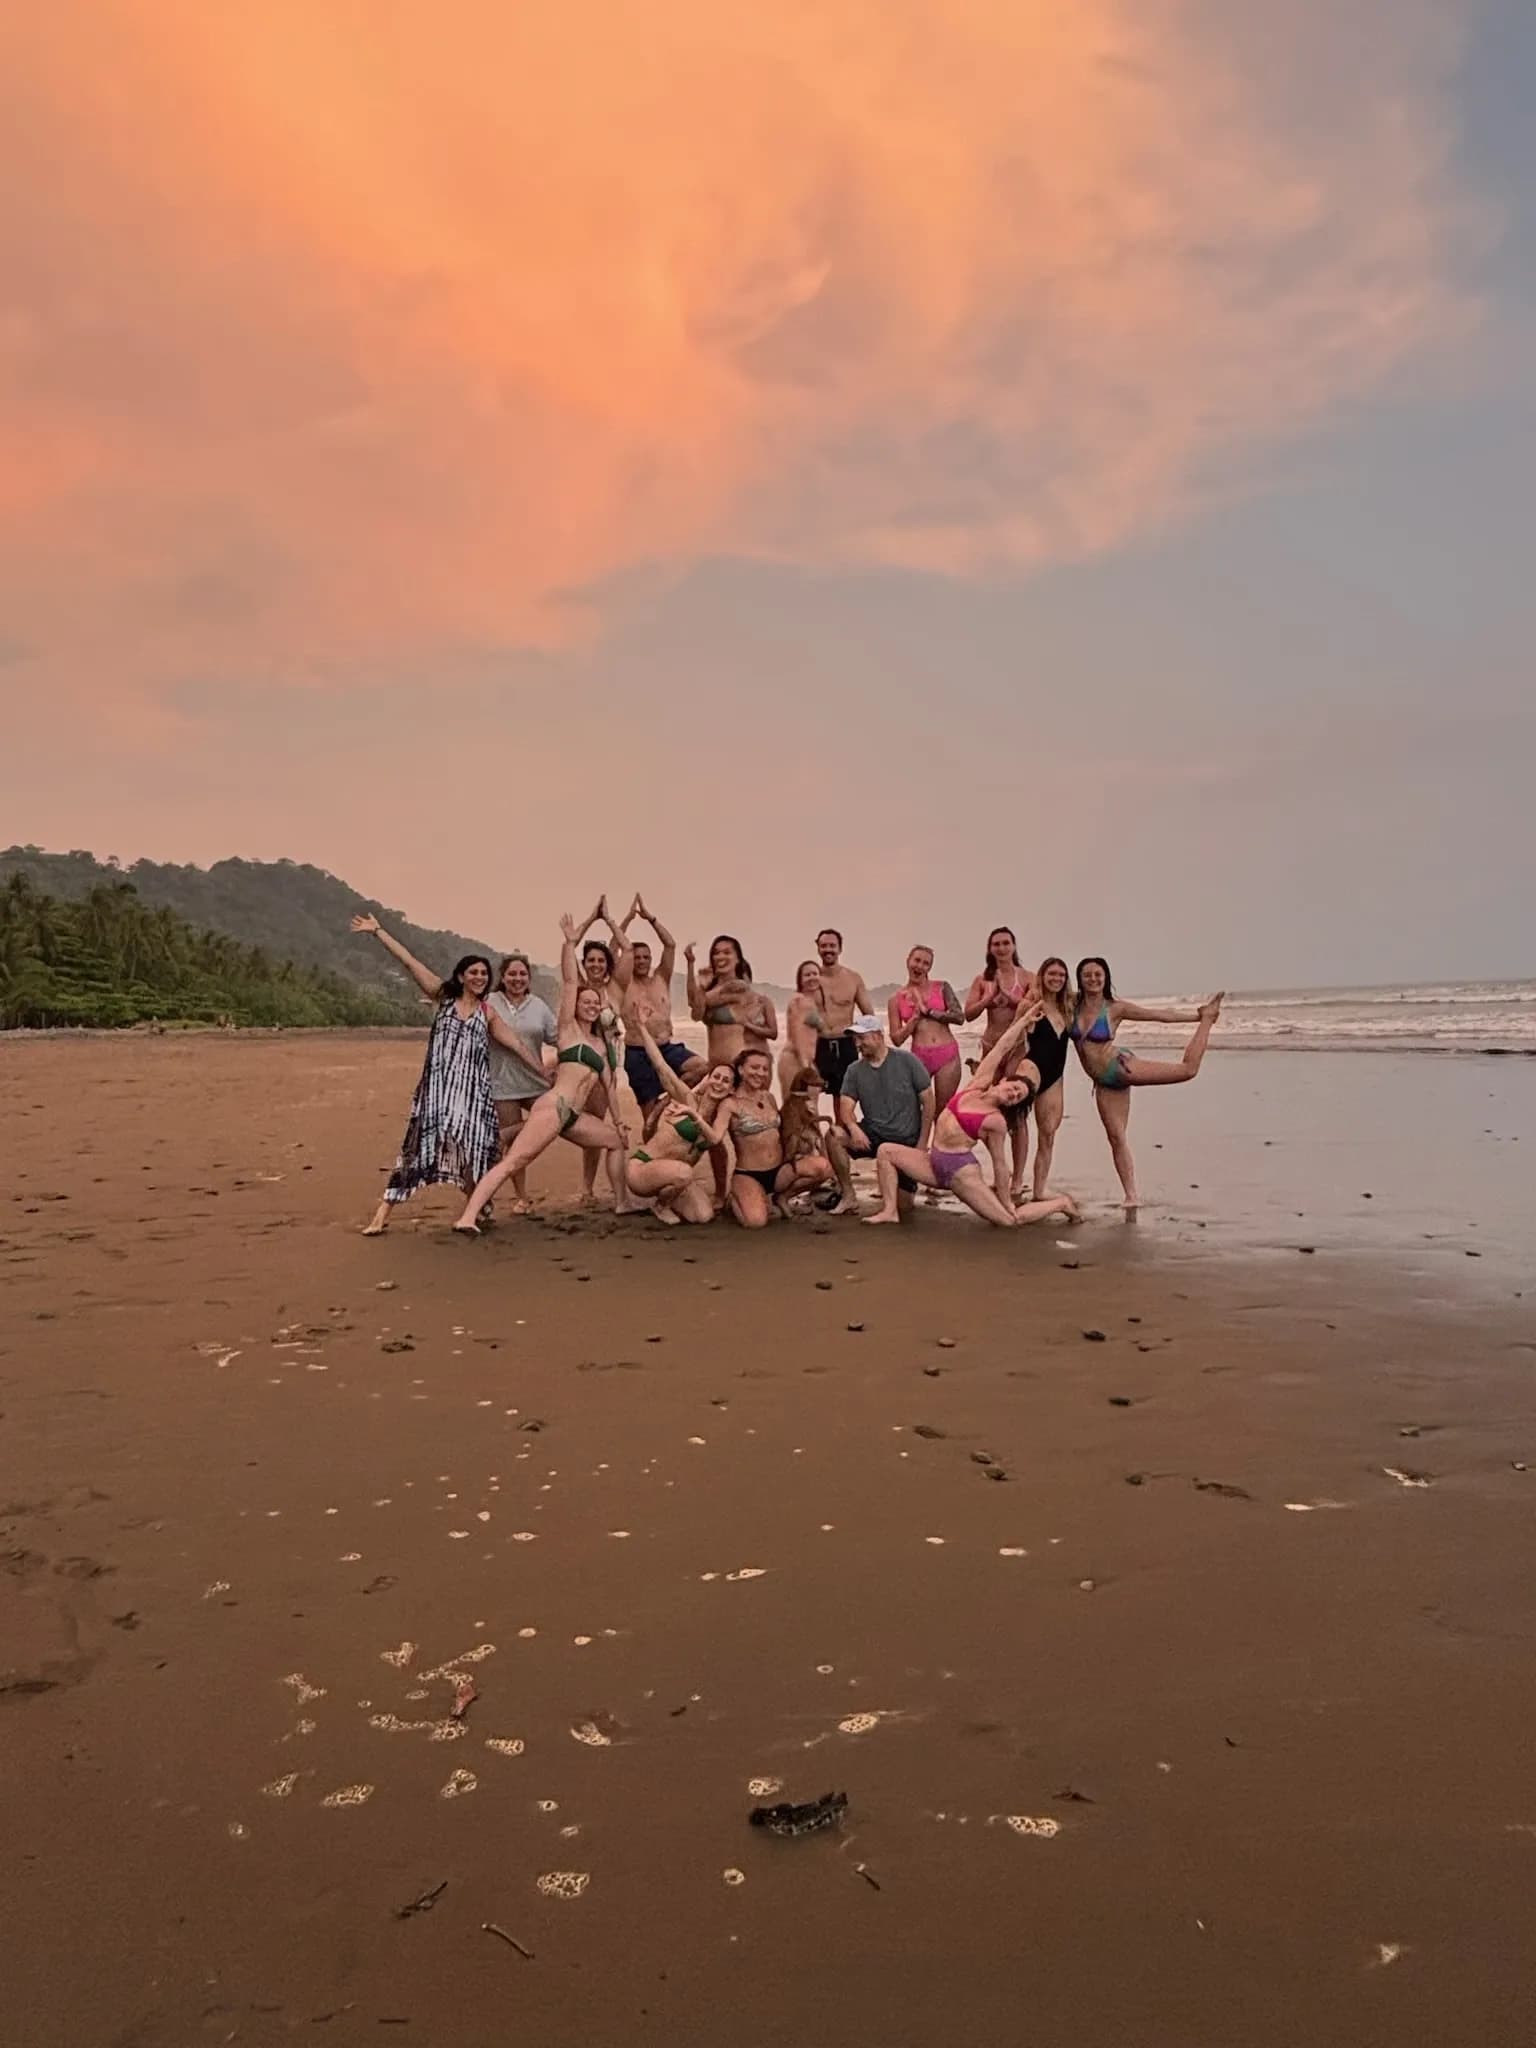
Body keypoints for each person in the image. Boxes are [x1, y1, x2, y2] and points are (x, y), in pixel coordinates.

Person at [453, 914, 628, 1233]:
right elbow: (572, 979)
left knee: (616, 1141)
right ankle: (468, 1216)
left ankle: (622, 1202)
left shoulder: (602, 1045)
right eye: (584, 1002)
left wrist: (618, 1121)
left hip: (574, 1116)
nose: (589, 1006)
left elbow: (610, 1087)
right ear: (575, 1007)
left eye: (595, 1003)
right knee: (515, 1160)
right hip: (554, 1107)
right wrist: (570, 942)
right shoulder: (567, 1030)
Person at [351, 914, 504, 1236]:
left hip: (472, 1096)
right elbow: (409, 962)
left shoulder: (488, 1013)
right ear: (461, 976)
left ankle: (477, 1205)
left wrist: (547, 1072)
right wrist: (379, 932)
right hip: (435, 1094)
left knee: (471, 1147)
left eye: (484, 974)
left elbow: (516, 1044)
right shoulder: (443, 998)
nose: (479, 977)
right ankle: (382, 1213)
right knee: (416, 1147)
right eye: (473, 972)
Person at [865, 1005, 1081, 1230]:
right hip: (933, 1164)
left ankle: (1061, 1204)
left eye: (1017, 1098)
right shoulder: (977, 1086)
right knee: (885, 1151)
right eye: (1015, 1088)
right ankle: (890, 1211)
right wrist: (1024, 1020)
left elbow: (999, 1164)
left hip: (961, 1173)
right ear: (1005, 1081)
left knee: (1010, 1220)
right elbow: (1001, 1048)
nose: (1014, 1094)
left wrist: (1006, 1201)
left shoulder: (995, 1121)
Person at [1069, 958, 1224, 1212]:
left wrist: (1196, 1017)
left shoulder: (1115, 1008)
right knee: (1116, 1137)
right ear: (1080, 978)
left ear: (1106, 977)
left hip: (1119, 1068)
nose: (1093, 979)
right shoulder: (1070, 1006)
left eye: (1098, 974)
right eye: (1087, 975)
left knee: (1187, 1070)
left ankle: (1209, 1020)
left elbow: (1157, 1015)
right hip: (1102, 1082)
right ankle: (1131, 1196)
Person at [622, 1025, 735, 1224]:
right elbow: (661, 1066)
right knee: (684, 1173)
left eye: (726, 1081)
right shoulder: (687, 1099)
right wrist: (641, 1027)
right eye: (716, 1077)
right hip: (642, 1168)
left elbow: (718, 1143)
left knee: (703, 1216)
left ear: (731, 1089)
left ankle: (667, 1196)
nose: (719, 1083)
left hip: (674, 1176)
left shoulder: (719, 1117)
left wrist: (720, 1194)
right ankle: (660, 1206)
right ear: (707, 1080)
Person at [618, 894, 705, 1136]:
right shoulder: (624, 983)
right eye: (637, 958)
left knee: (702, 1067)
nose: (642, 961)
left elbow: (670, 945)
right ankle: (646, 1158)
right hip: (639, 1053)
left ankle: (665, 1103)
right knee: (649, 1122)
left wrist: (650, 919)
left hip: (667, 1048)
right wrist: (624, 922)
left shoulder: (661, 978)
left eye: (646, 957)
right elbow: (613, 948)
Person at [724, 1046, 833, 1228]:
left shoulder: (768, 1098)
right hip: (749, 1173)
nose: (760, 1073)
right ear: (741, 1070)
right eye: (754, 1067)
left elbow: (785, 1129)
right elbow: (716, 1140)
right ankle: (736, 1198)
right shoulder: (730, 1103)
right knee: (756, 1222)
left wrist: (800, 1148)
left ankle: (782, 1196)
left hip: (779, 1170)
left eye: (765, 1069)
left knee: (823, 1168)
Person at [837, 1013, 935, 1214]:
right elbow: (845, 1108)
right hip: (873, 1135)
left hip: (905, 1140)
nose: (857, 1044)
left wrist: (922, 1143)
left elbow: (929, 1102)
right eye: (855, 1039)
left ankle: (896, 1185)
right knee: (834, 1136)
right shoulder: (854, 1070)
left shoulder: (907, 1061)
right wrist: (853, 1128)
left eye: (862, 1038)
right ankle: (848, 1195)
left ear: (878, 1036)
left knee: (904, 1207)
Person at [486, 952, 559, 1211]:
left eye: (522, 974)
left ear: (529, 978)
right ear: (503, 977)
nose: (517, 979)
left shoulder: (538, 1005)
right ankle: (521, 1196)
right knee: (515, 1143)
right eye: (512, 974)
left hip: (536, 1082)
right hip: (502, 1084)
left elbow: (557, 1038)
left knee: (558, 1119)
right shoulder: (490, 1001)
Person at [572, 897, 631, 1206]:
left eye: (601, 960)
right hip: (582, 1063)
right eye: (590, 960)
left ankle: (588, 1188)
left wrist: (608, 920)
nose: (596, 965)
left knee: (597, 1122)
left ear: (608, 965)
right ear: (585, 964)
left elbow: (630, 950)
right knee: (584, 1123)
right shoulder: (578, 987)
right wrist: (587, 920)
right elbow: (569, 949)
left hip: (609, 1061)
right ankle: (586, 1187)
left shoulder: (616, 990)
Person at [1003, 955, 1073, 1202]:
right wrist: (997, 1069)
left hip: (1055, 1077)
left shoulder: (1068, 1008)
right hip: (1032, 1067)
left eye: (1061, 975)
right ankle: (1013, 1180)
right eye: (1052, 974)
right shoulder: (1031, 1005)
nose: (1057, 979)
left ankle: (1039, 1191)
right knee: (1017, 1119)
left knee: (1048, 1135)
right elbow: (1012, 1037)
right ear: (1042, 976)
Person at [888, 946, 964, 1112]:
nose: (920, 966)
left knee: (942, 1112)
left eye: (925, 963)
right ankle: (920, 1139)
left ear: (929, 967)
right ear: (908, 961)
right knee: (915, 1111)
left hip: (947, 1055)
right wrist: (913, 1020)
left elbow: (959, 1017)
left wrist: (929, 1012)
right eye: (917, 960)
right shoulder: (895, 999)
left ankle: (939, 1139)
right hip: (919, 1057)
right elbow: (897, 1039)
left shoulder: (942, 987)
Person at [810, 929, 873, 1107]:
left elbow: (868, 1015)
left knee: (844, 1099)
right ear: (818, 948)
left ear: (840, 948)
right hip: (818, 1044)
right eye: (823, 946)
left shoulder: (853, 978)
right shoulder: (810, 979)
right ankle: (813, 1134)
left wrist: (866, 1044)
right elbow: (799, 1016)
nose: (828, 950)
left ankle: (843, 1134)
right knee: (809, 1097)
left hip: (846, 1044)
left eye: (832, 946)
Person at [964, 927, 1037, 1055]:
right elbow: (968, 1015)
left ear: (1014, 946)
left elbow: (1035, 1011)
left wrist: (1008, 996)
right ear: (990, 949)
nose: (1001, 948)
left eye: (1006, 943)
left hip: (1017, 1044)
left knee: (1013, 1076)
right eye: (996, 944)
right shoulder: (982, 979)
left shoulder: (1028, 977)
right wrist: (988, 999)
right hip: (990, 1044)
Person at [779, 960, 828, 1102]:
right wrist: (805, 1066)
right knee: (794, 1109)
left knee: (809, 1109)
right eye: (807, 975)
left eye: (815, 973)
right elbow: (797, 1033)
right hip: (794, 1059)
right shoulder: (799, 1001)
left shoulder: (811, 1001)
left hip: (805, 1060)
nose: (812, 977)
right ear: (800, 980)